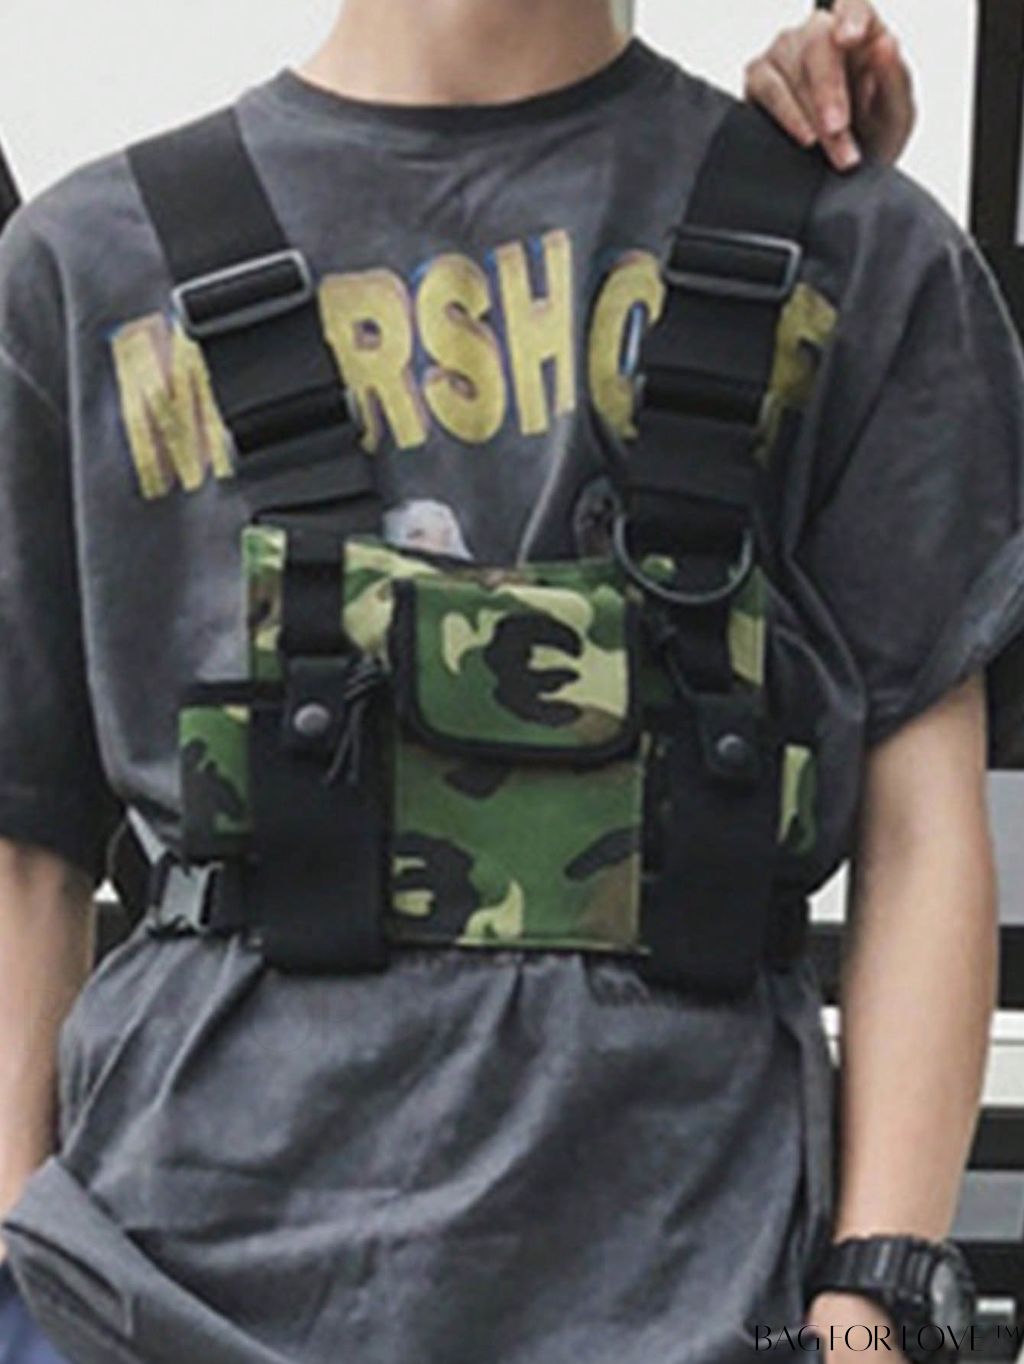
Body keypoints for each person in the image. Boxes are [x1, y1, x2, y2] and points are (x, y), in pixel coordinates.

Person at [0, 2, 1010, 1363]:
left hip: (704, 1300)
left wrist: (872, 1303)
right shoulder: (79, 267)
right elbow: (27, 844)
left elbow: (925, 824)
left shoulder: (857, 251)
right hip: (154, 1295)